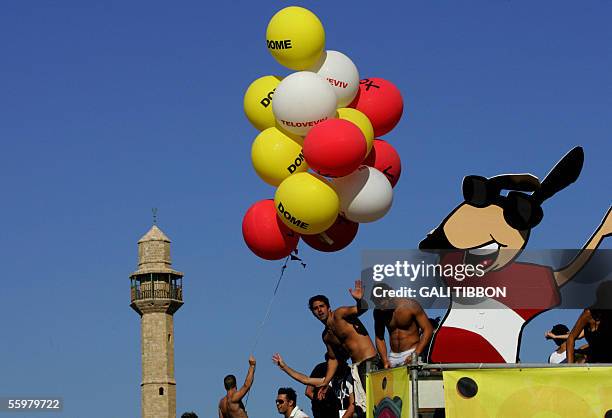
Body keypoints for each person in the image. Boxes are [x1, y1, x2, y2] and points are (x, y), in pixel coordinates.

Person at [308, 280, 380, 415]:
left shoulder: (340, 314)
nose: (319, 310)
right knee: (361, 407)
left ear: (328, 307)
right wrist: (326, 382)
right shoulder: (326, 336)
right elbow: (333, 359)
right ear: (313, 313)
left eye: (322, 306)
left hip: (369, 361)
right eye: (315, 308)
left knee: (373, 403)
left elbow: (361, 309)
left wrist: (360, 300)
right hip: (355, 368)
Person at [272, 353, 355, 418]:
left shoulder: (351, 375)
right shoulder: (326, 380)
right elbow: (305, 380)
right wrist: (285, 367)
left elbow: (353, 404)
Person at [372, 287, 434, 368]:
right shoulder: (378, 312)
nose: (380, 308)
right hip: (393, 357)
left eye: (382, 304)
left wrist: (416, 353)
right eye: (377, 304)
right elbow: (379, 337)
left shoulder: (411, 306)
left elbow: (428, 329)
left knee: (413, 380)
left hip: (412, 352)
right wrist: (385, 360)